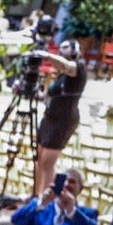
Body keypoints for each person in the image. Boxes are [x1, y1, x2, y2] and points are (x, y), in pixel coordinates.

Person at [33, 39, 87, 195]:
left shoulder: (78, 68)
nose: (61, 50)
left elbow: (66, 65)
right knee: (39, 159)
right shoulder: (60, 76)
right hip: (50, 116)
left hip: (64, 119)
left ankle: (46, 198)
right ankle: (36, 195)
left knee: (47, 161)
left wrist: (47, 55)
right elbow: (45, 96)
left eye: (65, 47)